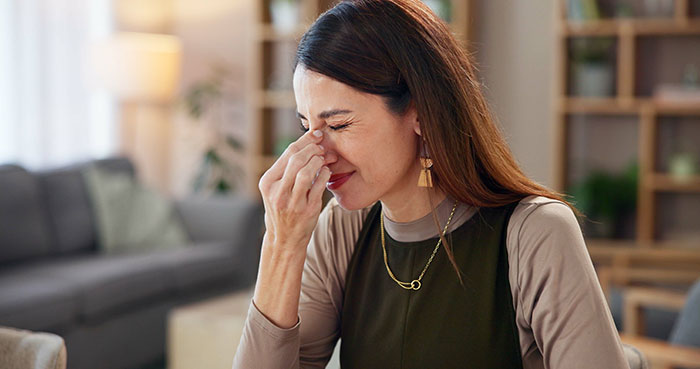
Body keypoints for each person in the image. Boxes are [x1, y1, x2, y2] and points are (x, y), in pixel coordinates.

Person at [233, 0, 630, 368]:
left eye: (338, 125)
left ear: (419, 113)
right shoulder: (342, 228)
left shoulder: (535, 233)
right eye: (307, 126)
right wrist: (281, 247)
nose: (318, 151)